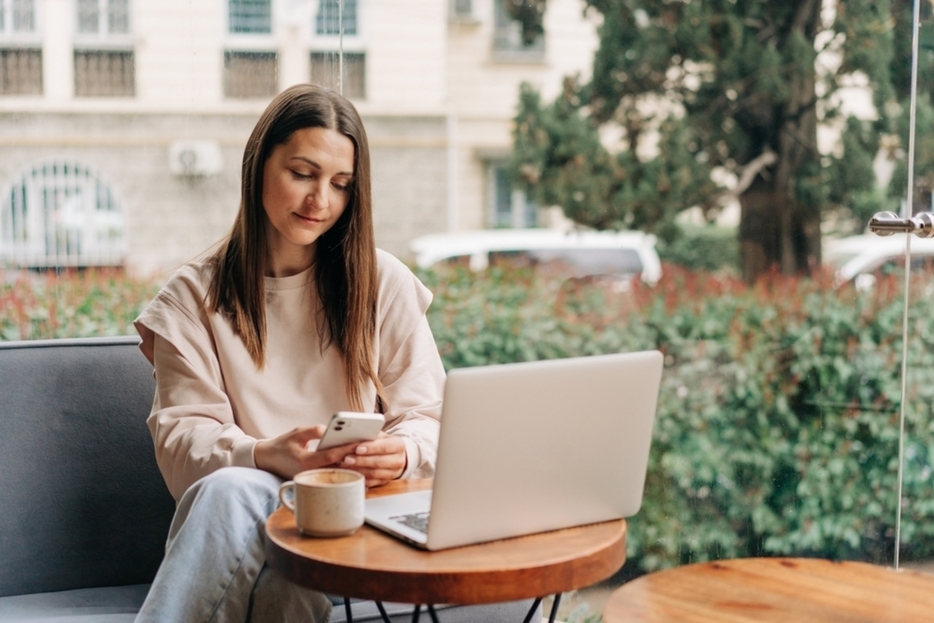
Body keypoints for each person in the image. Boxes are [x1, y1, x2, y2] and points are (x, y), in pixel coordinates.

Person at [132, 83, 447, 622]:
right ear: (258, 165)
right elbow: (183, 445)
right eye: (302, 173)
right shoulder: (193, 297)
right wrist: (265, 455)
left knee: (258, 527)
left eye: (340, 184)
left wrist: (403, 452)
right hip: (249, 515)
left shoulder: (381, 282)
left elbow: (432, 417)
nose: (319, 200)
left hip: (354, 514)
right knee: (241, 503)